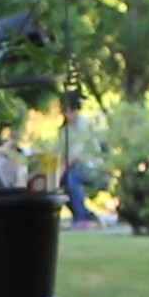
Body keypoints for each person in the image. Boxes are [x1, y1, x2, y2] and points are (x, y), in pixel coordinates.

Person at [61, 92, 101, 228]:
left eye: (70, 111)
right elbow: (63, 152)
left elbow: (76, 153)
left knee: (72, 178)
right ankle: (83, 213)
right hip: (73, 166)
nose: (68, 115)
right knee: (61, 182)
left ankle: (81, 218)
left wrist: (63, 168)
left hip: (91, 165)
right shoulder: (65, 130)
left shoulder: (84, 124)